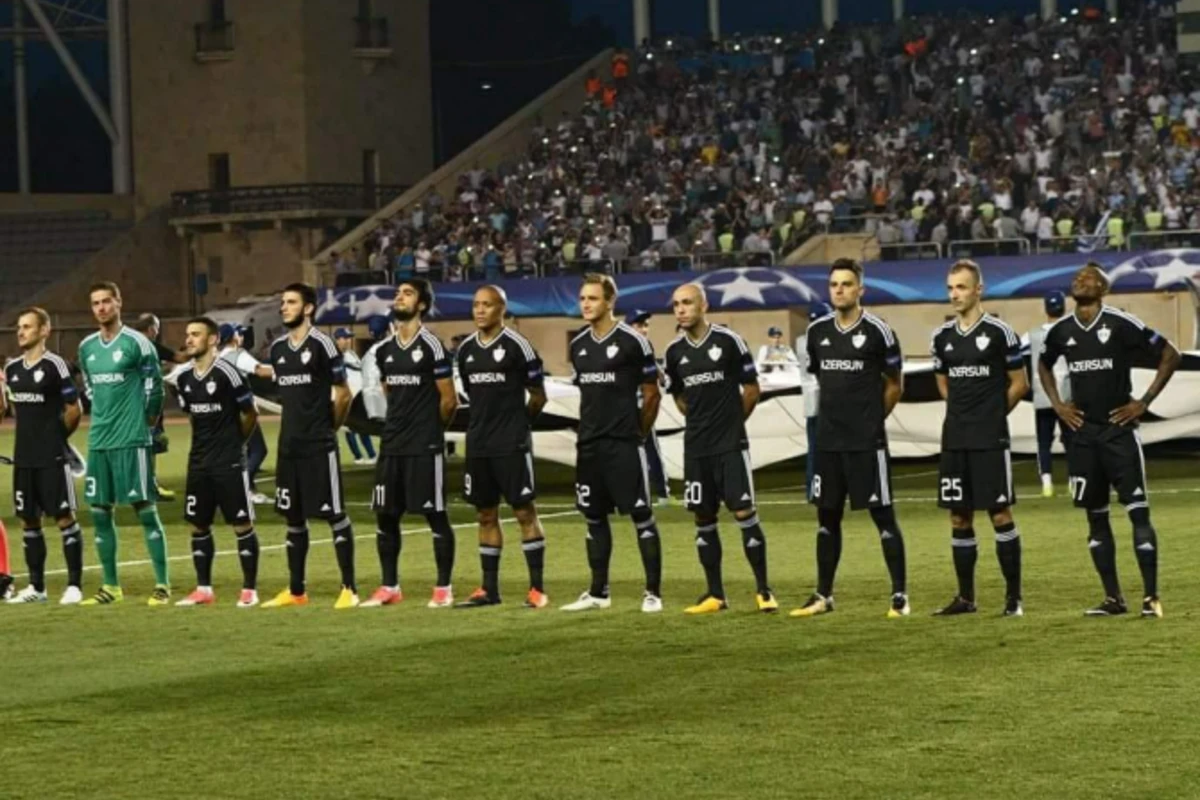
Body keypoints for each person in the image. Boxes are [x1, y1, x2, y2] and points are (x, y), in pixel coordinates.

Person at [1038, 263, 1180, 618]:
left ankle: (1151, 598)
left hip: (1119, 434)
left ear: (1103, 288)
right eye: (1076, 278)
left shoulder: (1120, 323)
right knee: (1095, 517)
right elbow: (1042, 365)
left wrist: (1143, 403)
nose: (1080, 280)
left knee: (1138, 513)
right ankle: (1113, 598)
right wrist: (1058, 406)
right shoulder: (1061, 331)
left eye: (1088, 277)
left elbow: (1171, 354)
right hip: (1083, 438)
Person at [792, 259, 909, 619]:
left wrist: (872, 421)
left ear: (861, 289)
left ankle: (900, 597)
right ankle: (823, 595)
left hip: (865, 443)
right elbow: (819, 380)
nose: (839, 290)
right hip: (828, 443)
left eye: (846, 284)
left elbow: (894, 384)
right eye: (834, 284)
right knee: (826, 519)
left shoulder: (879, 332)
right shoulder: (816, 334)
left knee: (883, 517)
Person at [664, 284, 776, 614]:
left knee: (744, 513)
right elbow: (680, 396)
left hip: (729, 445)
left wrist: (730, 424)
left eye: (687, 303)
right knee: (703, 516)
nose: (680, 309)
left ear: (703, 305)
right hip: (696, 447)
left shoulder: (729, 342)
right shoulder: (673, 352)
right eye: (676, 305)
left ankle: (764, 591)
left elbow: (752, 389)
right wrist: (701, 422)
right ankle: (715, 594)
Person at [930, 261, 1029, 617]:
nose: (954, 294)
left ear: (978, 290)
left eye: (961, 287)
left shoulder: (1001, 333)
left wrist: (991, 414)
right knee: (959, 517)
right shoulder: (941, 337)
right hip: (955, 438)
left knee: (999, 513)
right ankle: (966, 598)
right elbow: (943, 381)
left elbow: (1020, 383)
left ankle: (1013, 599)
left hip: (990, 439)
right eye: (950, 288)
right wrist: (962, 412)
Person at [561, 273, 664, 613]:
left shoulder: (633, 342)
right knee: (593, 518)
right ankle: (598, 592)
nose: (586, 304)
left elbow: (652, 395)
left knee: (641, 516)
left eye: (592, 298)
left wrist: (638, 433)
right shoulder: (578, 345)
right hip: (589, 446)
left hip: (624, 445)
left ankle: (652, 593)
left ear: (609, 302)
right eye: (583, 299)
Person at [363, 280, 459, 608]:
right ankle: (390, 585)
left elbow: (450, 400)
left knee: (435, 514)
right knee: (386, 516)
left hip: (423, 444)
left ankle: (443, 588)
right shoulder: (386, 350)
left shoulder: (431, 346)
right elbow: (391, 393)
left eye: (407, 293)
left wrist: (430, 430)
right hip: (392, 444)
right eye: (397, 293)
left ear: (420, 305)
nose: (398, 297)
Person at [262, 283, 358, 609]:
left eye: (290, 302)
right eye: (282, 302)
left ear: (308, 308)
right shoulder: (277, 349)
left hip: (319, 445)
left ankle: (349, 588)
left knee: (334, 514)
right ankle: (296, 590)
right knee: (293, 518)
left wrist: (330, 427)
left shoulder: (323, 345)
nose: (283, 307)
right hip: (289, 447)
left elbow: (343, 393)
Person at [454, 285, 551, 608]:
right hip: (479, 444)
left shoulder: (518, 347)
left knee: (524, 511)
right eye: (476, 305)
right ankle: (489, 590)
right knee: (485, 514)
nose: (479, 310)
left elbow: (538, 395)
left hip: (511, 444)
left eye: (487, 305)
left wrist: (519, 424)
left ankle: (537, 589)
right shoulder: (466, 350)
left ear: (501, 310)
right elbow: (471, 395)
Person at [77, 282, 170, 605]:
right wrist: (103, 412)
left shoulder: (137, 343)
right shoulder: (86, 346)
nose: (101, 308)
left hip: (132, 439)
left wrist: (144, 424)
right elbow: (88, 386)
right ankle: (111, 587)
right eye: (95, 303)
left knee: (145, 509)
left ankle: (162, 585)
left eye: (106, 301)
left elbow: (155, 387)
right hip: (99, 439)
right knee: (100, 512)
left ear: (118, 302)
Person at [173, 317, 261, 607]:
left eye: (195, 334)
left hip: (228, 462)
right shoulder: (184, 378)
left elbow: (251, 413)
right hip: (198, 462)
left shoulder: (228, 373)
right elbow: (192, 416)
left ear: (212, 340)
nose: (189, 339)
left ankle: (249, 590)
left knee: (241, 523)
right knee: (198, 525)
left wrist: (236, 444)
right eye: (188, 334)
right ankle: (203, 589)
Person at [0, 307, 84, 604]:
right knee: (28, 520)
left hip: (52, 458)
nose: (20, 331)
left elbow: (75, 409)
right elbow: (9, 410)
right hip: (23, 458)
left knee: (64, 518)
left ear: (44, 331)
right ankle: (37, 588)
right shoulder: (12, 370)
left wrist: (55, 439)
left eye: (27, 326)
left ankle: (74, 586)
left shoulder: (55, 365)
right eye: (19, 327)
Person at [133, 313, 185, 501]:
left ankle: (136, 486)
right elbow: (179, 357)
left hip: (130, 403)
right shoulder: (149, 345)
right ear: (152, 328)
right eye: (157, 327)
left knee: (138, 445)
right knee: (150, 445)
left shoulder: (127, 345)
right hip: (147, 404)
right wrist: (197, 350)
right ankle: (149, 486)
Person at [217, 324, 270, 504]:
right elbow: (261, 371)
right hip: (241, 411)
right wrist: (290, 370)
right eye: (239, 333)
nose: (241, 336)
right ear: (233, 337)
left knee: (241, 451)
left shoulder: (218, 357)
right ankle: (243, 487)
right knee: (258, 450)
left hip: (223, 412)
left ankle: (248, 488)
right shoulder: (237, 354)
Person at [1029, 291, 1073, 497]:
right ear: (1064, 307)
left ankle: (1047, 483)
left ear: (1046, 309)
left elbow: (1015, 354)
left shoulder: (1032, 335)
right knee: (1071, 441)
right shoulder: (1071, 331)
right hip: (1066, 398)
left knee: (1043, 443)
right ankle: (1074, 481)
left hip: (1042, 397)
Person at [625, 309, 669, 505]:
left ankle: (661, 493)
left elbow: (656, 372)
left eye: (645, 325)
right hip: (622, 407)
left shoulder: (645, 346)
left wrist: (664, 377)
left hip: (641, 406)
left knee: (649, 448)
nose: (643, 329)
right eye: (639, 325)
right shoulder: (621, 346)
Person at [796, 303, 831, 500]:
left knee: (814, 449)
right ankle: (819, 488)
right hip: (825, 400)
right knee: (824, 449)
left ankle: (813, 489)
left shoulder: (801, 341)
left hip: (810, 401)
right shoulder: (822, 340)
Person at [334, 327, 377, 465]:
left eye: (349, 338)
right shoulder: (335, 356)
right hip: (348, 397)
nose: (348, 341)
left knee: (363, 426)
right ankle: (358, 456)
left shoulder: (351, 354)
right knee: (350, 429)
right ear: (338, 339)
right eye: (345, 338)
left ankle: (371, 455)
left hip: (360, 396)